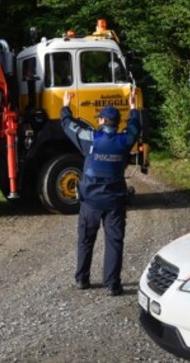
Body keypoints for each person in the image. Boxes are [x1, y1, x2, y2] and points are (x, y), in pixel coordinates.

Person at [61, 91, 140, 296]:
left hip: (91, 201)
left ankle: (82, 279)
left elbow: (68, 126)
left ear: (104, 120)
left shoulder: (91, 139)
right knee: (114, 241)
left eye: (100, 118)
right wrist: (133, 108)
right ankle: (112, 284)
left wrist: (65, 107)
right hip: (114, 201)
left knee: (86, 240)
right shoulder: (124, 141)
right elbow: (135, 127)